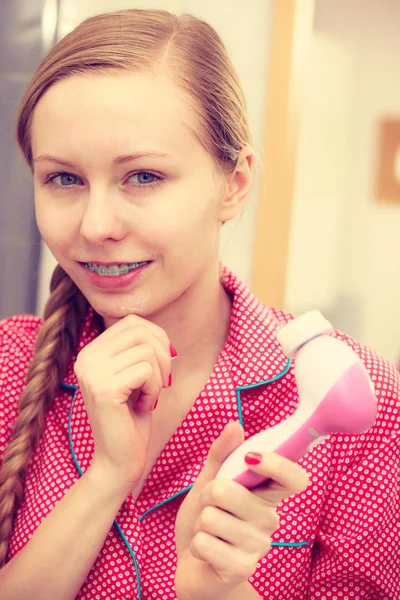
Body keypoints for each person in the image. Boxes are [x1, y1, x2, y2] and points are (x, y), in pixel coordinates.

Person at [0, 8, 398, 600]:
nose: (96, 224)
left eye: (143, 177)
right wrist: (107, 479)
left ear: (233, 184)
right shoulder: (9, 365)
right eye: (63, 179)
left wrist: (222, 591)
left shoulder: (365, 404)